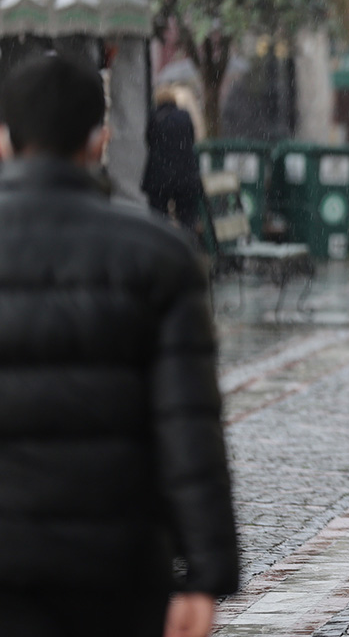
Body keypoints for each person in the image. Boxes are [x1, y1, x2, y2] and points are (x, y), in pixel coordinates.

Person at [0, 54, 239, 636]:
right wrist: (206, 573)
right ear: (100, 141)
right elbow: (187, 426)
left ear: (6, 140)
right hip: (118, 566)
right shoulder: (159, 255)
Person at [143, 84, 206, 233]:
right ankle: (186, 246)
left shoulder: (154, 116)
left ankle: (159, 244)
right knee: (187, 219)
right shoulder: (184, 116)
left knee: (158, 217)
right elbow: (192, 138)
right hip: (185, 175)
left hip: (160, 175)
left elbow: (149, 140)